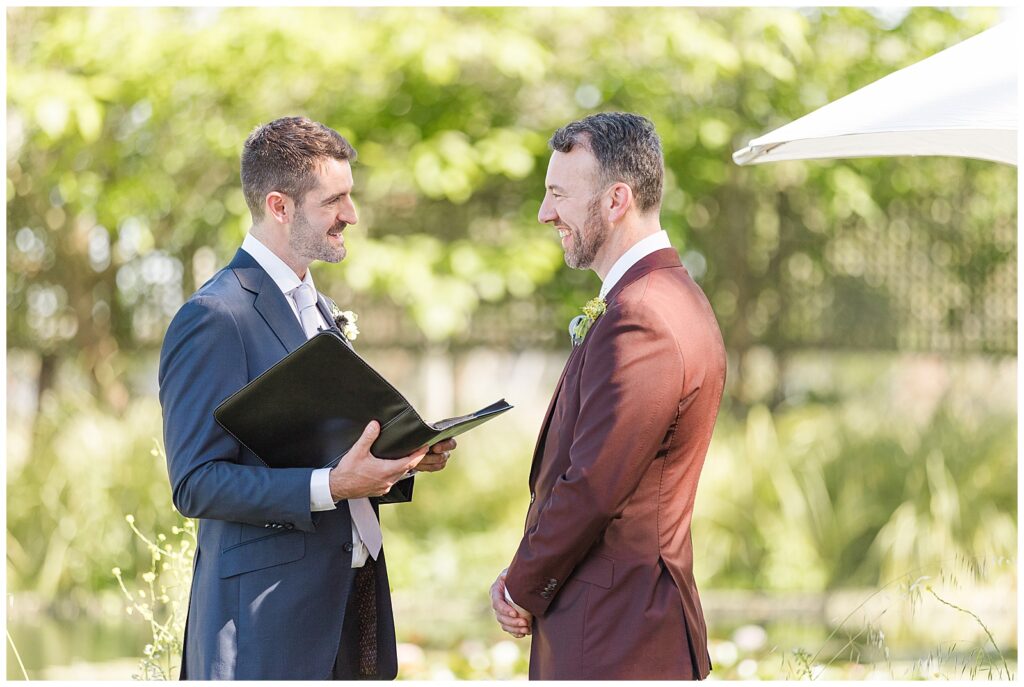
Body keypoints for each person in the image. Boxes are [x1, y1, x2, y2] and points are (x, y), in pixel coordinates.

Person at [158, 116, 456, 680]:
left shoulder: (316, 307)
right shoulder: (215, 317)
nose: (352, 214)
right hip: (266, 622)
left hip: (346, 597)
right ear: (279, 206)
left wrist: (401, 456)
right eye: (334, 200)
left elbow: (322, 445)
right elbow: (195, 483)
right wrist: (332, 486)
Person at [488, 112, 726, 680]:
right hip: (625, 625)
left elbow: (594, 484)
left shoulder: (641, 313)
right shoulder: (661, 295)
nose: (546, 213)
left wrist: (521, 584)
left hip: (615, 634)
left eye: (558, 195)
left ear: (616, 199)